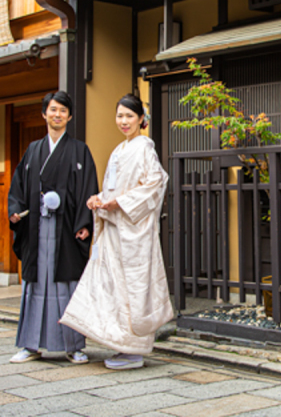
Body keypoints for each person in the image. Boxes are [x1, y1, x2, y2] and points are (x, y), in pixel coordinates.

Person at [60, 93, 174, 370]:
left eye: (129, 116)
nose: (123, 121)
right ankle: (121, 345)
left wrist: (119, 203)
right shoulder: (119, 150)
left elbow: (155, 184)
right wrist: (98, 199)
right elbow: (116, 188)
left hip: (133, 232)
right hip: (115, 229)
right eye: (120, 116)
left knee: (133, 288)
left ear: (141, 119)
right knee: (112, 287)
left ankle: (133, 350)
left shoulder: (144, 147)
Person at [7, 90, 99, 365]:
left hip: (66, 229)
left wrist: (84, 223)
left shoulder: (79, 150)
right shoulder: (33, 150)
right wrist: (15, 211)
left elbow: (88, 187)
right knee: (35, 284)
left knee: (67, 284)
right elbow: (18, 187)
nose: (57, 115)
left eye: (63, 111)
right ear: (44, 113)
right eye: (53, 109)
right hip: (36, 228)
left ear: (69, 116)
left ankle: (74, 345)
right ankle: (30, 345)